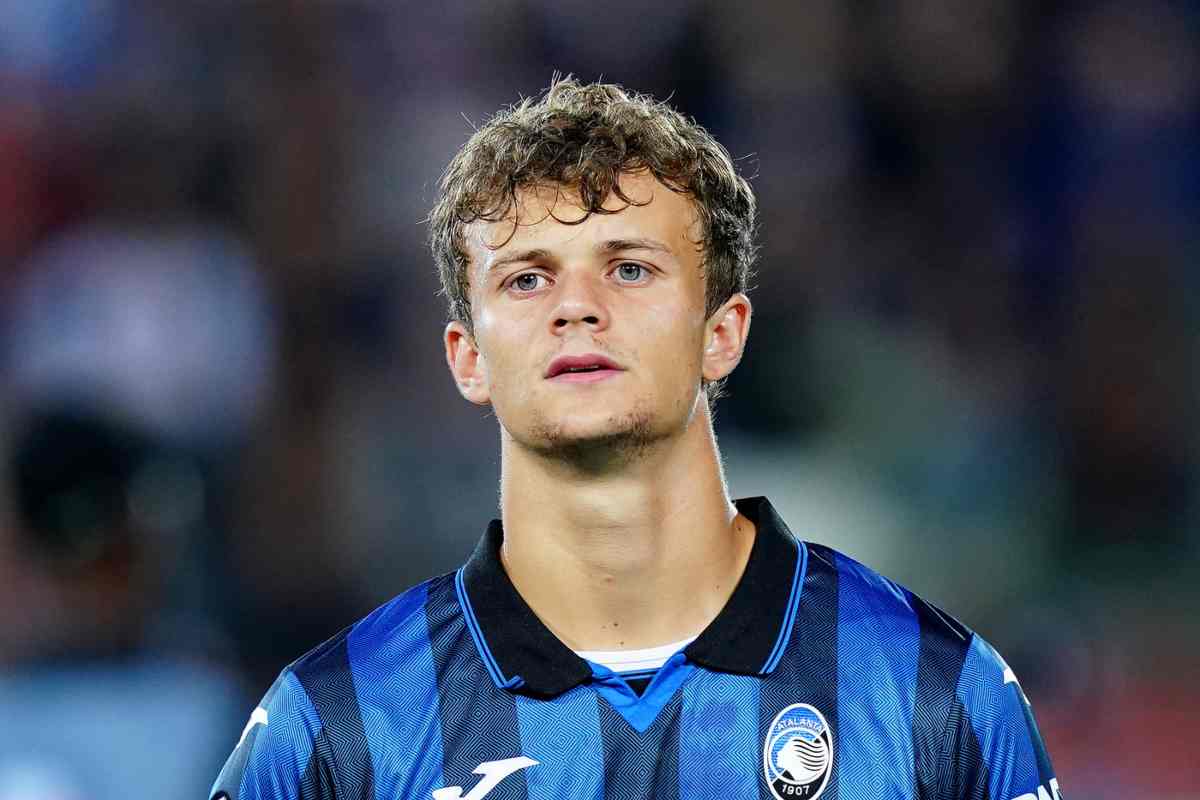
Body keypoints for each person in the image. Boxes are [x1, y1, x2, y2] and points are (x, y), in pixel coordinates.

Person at [212, 79, 1061, 800]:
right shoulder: (336, 727)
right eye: (528, 278)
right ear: (468, 358)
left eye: (629, 268)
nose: (577, 308)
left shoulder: (935, 693)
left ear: (721, 333)